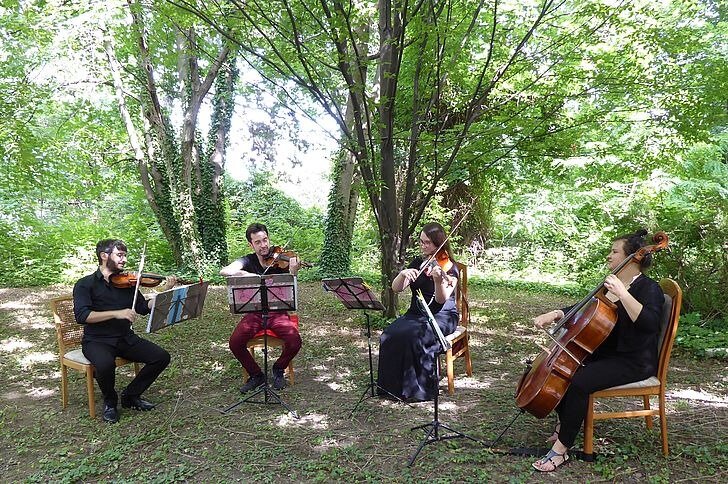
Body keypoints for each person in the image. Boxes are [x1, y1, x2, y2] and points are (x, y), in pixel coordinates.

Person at [531, 229, 664, 472]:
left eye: (614, 252)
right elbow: (587, 308)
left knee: (581, 381)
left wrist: (623, 294)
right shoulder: (613, 284)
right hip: (609, 353)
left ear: (633, 257)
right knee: (567, 367)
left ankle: (561, 450)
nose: (609, 256)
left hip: (634, 360)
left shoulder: (648, 288)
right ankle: (564, 424)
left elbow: (649, 324)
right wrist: (557, 313)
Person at [73, 239, 173, 423]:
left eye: (125, 255)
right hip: (97, 340)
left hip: (125, 338)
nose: (124, 260)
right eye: (120, 255)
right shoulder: (85, 284)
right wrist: (117, 313)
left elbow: (143, 307)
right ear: (104, 256)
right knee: (104, 364)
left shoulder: (127, 283)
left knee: (161, 357)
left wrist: (163, 294)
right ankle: (110, 402)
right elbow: (82, 316)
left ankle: (130, 395)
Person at [377, 222, 459, 402]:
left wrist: (438, 281)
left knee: (414, 337)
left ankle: (417, 390)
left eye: (427, 243)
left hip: (442, 315)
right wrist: (403, 274)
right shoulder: (418, 262)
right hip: (417, 312)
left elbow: (441, 299)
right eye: (421, 242)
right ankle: (391, 387)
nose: (423, 246)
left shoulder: (450, 268)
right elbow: (396, 288)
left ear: (439, 243)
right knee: (389, 334)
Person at [220, 222, 302, 393]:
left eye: (265, 240)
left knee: (295, 341)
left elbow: (290, 287)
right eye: (258, 242)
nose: (264, 245)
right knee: (235, 343)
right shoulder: (247, 260)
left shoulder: (281, 260)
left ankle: (278, 369)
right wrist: (246, 274)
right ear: (251, 244)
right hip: (255, 313)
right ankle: (256, 375)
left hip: (278, 312)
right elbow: (225, 271)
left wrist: (293, 272)